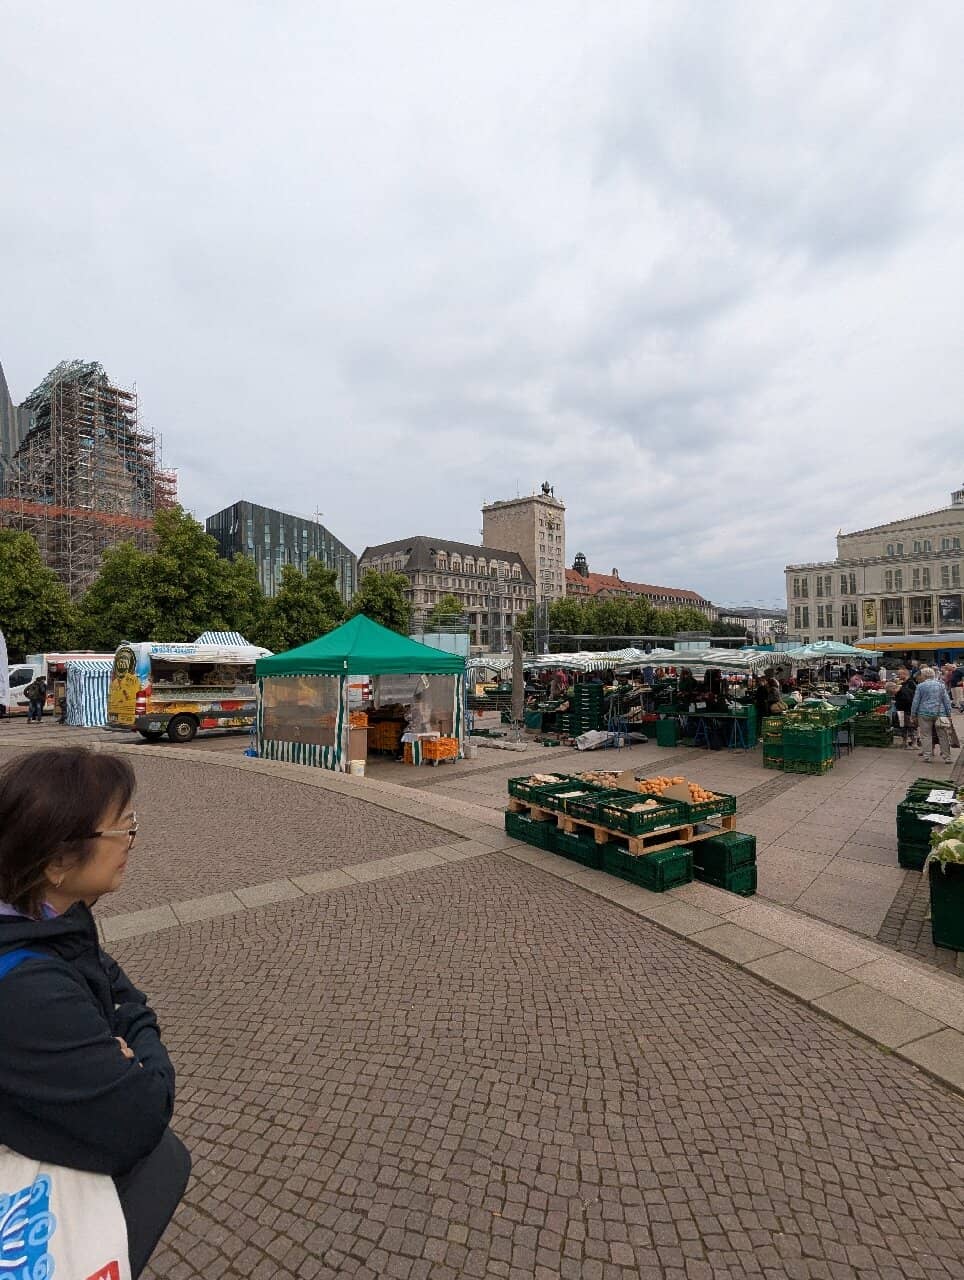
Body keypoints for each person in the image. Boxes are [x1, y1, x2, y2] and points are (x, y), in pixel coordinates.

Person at [0, 747, 190, 1277]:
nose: (132, 841)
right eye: (122, 828)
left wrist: (124, 1027)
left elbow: (116, 986)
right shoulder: (27, 990)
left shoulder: (53, 913)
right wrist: (135, 1046)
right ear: (58, 860)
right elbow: (143, 1115)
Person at [911, 666, 954, 764]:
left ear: (924, 675)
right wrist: (949, 713)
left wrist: (913, 714)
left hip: (924, 713)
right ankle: (947, 757)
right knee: (943, 735)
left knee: (926, 735)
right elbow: (946, 700)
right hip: (940, 713)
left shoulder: (920, 686)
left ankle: (927, 756)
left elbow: (916, 701)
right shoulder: (941, 685)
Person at [893, 667, 918, 749]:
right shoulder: (901, 683)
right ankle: (904, 742)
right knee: (902, 725)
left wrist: (900, 689)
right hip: (900, 707)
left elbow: (913, 695)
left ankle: (914, 743)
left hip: (908, 708)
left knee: (911, 726)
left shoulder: (911, 683)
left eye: (899, 674)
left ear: (905, 674)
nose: (898, 675)